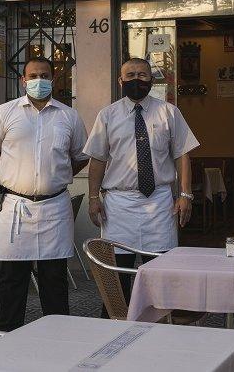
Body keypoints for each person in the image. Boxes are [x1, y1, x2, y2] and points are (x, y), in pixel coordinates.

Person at [0, 57, 89, 331]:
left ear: (53, 79)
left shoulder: (69, 116)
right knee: (12, 280)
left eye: (44, 75)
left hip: (54, 207)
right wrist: (17, 175)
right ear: (23, 80)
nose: (38, 80)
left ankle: (56, 337)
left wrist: (53, 175)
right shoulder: (4, 113)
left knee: (54, 280)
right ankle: (6, 338)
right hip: (15, 206)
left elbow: (80, 156)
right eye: (33, 75)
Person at [83, 57, 198, 314]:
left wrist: (185, 194)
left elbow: (182, 154)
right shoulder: (108, 115)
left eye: (143, 75)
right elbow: (98, 160)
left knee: (161, 273)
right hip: (118, 204)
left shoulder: (169, 112)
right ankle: (113, 328)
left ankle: (163, 328)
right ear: (120, 81)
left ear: (152, 79)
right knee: (117, 274)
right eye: (131, 75)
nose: (137, 80)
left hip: (158, 202)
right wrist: (93, 197)